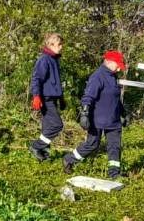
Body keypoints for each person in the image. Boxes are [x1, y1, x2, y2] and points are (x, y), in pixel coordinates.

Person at [63, 51, 127, 180]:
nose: (119, 68)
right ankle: (69, 159)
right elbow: (88, 97)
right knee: (92, 144)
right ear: (108, 62)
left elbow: (116, 99)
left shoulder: (113, 77)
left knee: (115, 146)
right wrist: (84, 114)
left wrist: (124, 113)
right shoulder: (97, 77)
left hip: (113, 120)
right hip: (97, 119)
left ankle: (114, 173)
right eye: (118, 65)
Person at [28, 33, 65, 161]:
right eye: (59, 44)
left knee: (48, 126)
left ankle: (44, 155)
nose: (61, 47)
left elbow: (55, 82)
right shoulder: (44, 60)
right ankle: (36, 146)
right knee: (57, 125)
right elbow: (36, 78)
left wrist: (61, 99)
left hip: (53, 98)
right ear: (51, 45)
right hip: (46, 98)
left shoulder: (54, 59)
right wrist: (36, 96)